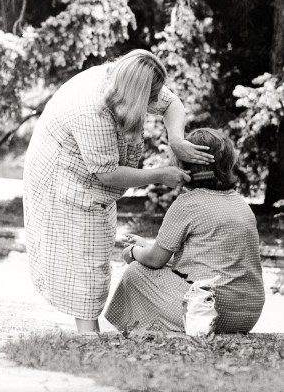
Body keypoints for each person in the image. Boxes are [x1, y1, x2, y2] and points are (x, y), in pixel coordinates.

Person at [23, 49, 214, 334]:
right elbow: (108, 173)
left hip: (92, 177)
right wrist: (160, 174)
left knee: (96, 253)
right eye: (150, 98)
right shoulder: (91, 109)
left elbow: (171, 102)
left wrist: (176, 140)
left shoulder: (130, 79)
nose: (154, 102)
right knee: (85, 261)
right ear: (136, 94)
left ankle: (88, 333)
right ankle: (88, 337)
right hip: (62, 178)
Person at [105, 128, 265, 334]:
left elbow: (155, 261)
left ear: (183, 166)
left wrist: (133, 252)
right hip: (246, 315)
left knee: (136, 272)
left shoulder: (188, 203)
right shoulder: (240, 204)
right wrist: (146, 245)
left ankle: (142, 331)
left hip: (209, 313)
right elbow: (203, 262)